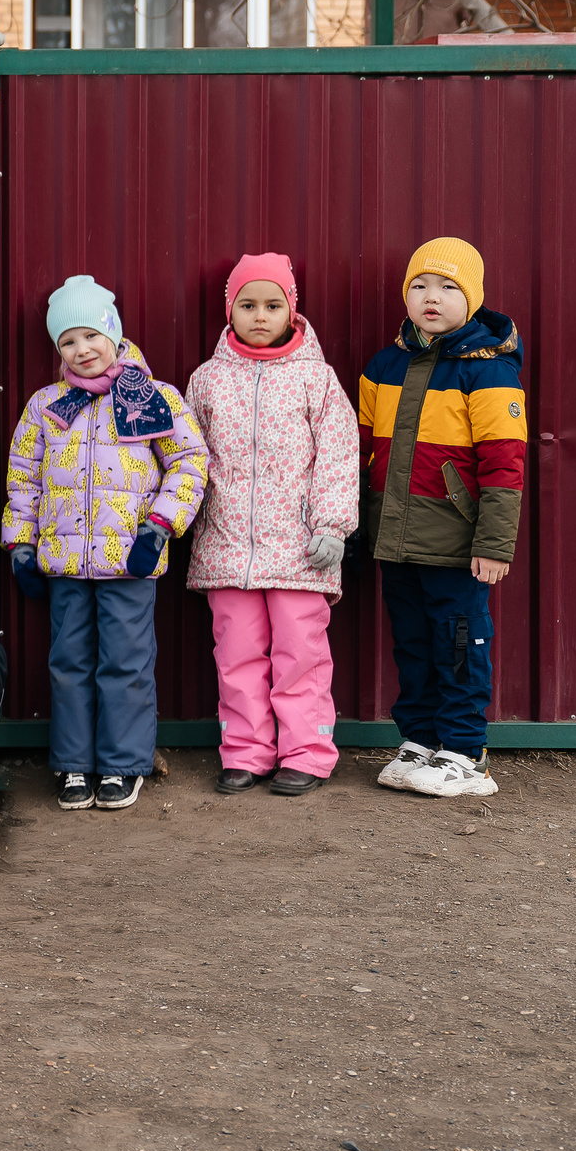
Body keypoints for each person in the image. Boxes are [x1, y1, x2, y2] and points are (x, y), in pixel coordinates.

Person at [4, 276, 210, 812]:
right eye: (68, 341)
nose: (82, 349)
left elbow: (189, 463)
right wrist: (20, 543)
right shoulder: (47, 405)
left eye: (91, 335)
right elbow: (24, 476)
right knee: (68, 662)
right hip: (65, 561)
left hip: (130, 560)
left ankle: (123, 765)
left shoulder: (153, 398)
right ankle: (74, 765)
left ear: (114, 336)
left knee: (126, 663)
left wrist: (160, 525)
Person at [184, 254, 359, 798]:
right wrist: (184, 521)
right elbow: (188, 455)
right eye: (248, 304)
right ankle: (245, 751)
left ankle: (307, 752)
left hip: (301, 550)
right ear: (230, 310)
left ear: (292, 310)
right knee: (236, 655)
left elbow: (337, 455)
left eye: (273, 304)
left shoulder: (317, 380)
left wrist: (332, 525)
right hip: (227, 547)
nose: (260, 315)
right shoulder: (207, 380)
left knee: (300, 656)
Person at [358, 238, 526, 801]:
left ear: (473, 298)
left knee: (459, 642)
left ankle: (464, 752)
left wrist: (495, 545)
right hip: (394, 538)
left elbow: (505, 464)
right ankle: (421, 739)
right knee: (411, 641)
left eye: (449, 286)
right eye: (420, 286)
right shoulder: (385, 365)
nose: (432, 297)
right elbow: (358, 453)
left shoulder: (489, 371)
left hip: (456, 542)